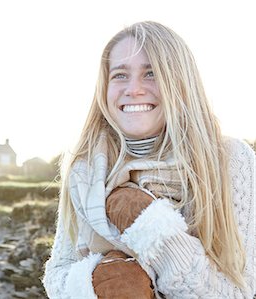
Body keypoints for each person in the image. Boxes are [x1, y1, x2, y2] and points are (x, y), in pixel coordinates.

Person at [42, 21, 255, 298]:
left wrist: (148, 223)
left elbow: (240, 291)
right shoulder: (85, 168)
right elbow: (58, 274)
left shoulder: (230, 159)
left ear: (180, 81)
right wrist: (100, 283)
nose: (134, 89)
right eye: (119, 75)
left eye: (151, 73)